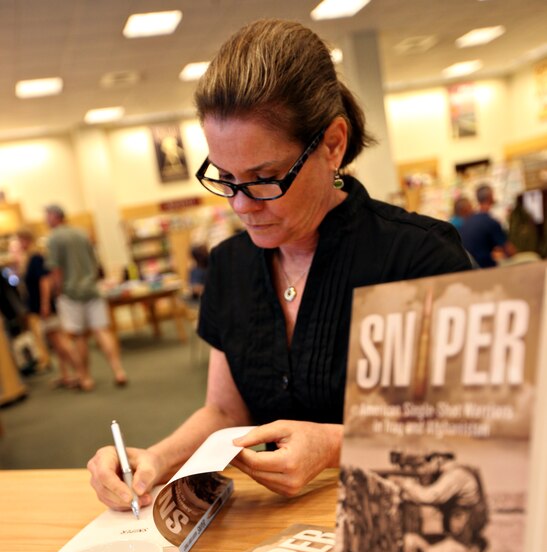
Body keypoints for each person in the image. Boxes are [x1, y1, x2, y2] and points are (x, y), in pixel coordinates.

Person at [88, 18, 472, 511]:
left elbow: (472, 426)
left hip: (403, 521)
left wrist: (335, 445)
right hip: (271, 533)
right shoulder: (229, 266)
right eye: (225, 177)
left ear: (333, 144)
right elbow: (226, 410)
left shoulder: (419, 258)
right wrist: (156, 460)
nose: (242, 205)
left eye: (265, 177)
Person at [44, 205, 128, 390]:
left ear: (55, 216)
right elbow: (94, 261)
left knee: (79, 336)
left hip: (71, 293)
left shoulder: (54, 239)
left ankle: (85, 378)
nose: (45, 220)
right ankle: (118, 370)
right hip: (92, 289)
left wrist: (58, 292)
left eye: (47, 216)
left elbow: (56, 269)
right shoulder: (82, 234)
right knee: (102, 331)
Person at [394, 453, 489, 552]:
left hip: (464, 546)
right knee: (410, 541)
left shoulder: (456, 476)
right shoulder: (449, 475)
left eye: (423, 463)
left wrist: (406, 484)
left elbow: (429, 496)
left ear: (438, 459)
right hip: (455, 539)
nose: (421, 469)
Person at [14, 228, 85, 388]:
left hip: (45, 307)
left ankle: (81, 373)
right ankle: (66, 374)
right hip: (40, 306)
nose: (18, 244)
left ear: (27, 239)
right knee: (55, 343)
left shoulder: (36, 258)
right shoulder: (29, 259)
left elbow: (45, 282)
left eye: (20, 240)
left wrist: (45, 304)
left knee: (60, 342)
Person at [459, 184, 516, 267]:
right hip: (487, 268)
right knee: (531, 258)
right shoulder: (490, 221)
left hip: (472, 267)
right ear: (491, 196)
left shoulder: (469, 221)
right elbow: (510, 252)